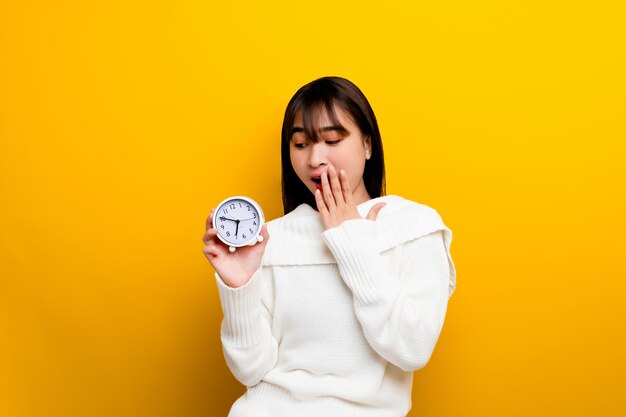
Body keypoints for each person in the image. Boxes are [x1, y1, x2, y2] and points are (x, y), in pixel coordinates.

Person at [202, 76, 456, 417]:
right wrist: (240, 288)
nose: (315, 159)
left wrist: (352, 243)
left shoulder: (414, 227)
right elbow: (250, 370)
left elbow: (411, 347)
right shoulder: (270, 239)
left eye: (333, 139)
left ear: (368, 145)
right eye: (301, 144)